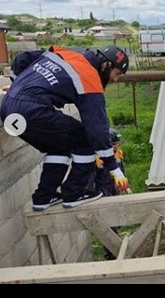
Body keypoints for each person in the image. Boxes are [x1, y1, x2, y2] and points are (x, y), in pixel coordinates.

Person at [0, 45, 130, 211]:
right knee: (86, 141)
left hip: (8, 108)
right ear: (107, 65)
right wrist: (114, 168)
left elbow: (22, 58)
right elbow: (97, 129)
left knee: (59, 147)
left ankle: (44, 197)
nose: (115, 80)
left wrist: (17, 85)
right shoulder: (89, 79)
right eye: (117, 74)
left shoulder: (66, 53)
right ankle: (74, 193)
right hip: (32, 112)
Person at [95, 128, 131, 196]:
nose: (116, 146)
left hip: (114, 186)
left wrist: (126, 187)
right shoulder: (98, 157)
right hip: (102, 187)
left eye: (118, 143)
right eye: (114, 144)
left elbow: (121, 170)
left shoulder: (119, 153)